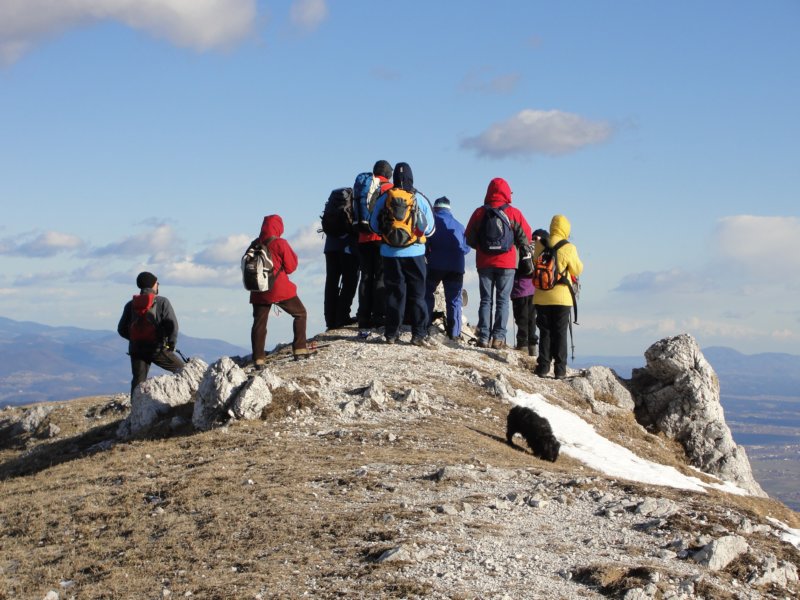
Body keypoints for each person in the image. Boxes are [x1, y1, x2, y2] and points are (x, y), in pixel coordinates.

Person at [369, 162, 435, 346]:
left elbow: (373, 226)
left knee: (394, 293)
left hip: (390, 254)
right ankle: (418, 334)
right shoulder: (419, 198)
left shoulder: (385, 197)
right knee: (418, 294)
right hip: (415, 253)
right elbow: (430, 230)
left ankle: (391, 333)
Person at [465, 177, 532, 349]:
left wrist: (482, 248)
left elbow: (469, 237)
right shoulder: (513, 213)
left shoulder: (479, 212)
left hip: (484, 262)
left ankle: (483, 337)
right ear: (507, 192)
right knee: (502, 300)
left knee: (485, 300)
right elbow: (527, 235)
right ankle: (498, 338)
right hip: (507, 262)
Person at [248, 214, 310, 365]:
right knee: (300, 314)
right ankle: (300, 348)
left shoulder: (254, 244)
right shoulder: (280, 243)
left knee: (259, 323)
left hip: (258, 290)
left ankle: (258, 358)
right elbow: (291, 267)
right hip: (278, 289)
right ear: (278, 227)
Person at [117, 271, 185, 396]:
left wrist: (135, 339)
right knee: (184, 370)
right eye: (157, 283)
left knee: (138, 381)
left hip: (136, 349)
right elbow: (173, 326)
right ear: (153, 284)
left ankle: (136, 407)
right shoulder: (162, 302)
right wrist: (170, 344)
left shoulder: (130, 305)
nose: (158, 285)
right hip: (157, 349)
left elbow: (121, 329)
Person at [533, 214, 583, 379]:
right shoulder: (569, 247)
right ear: (566, 229)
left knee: (545, 331)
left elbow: (535, 262)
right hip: (562, 297)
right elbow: (577, 269)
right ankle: (560, 370)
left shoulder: (540, 244)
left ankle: (543, 367)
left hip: (542, 296)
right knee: (560, 333)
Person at [356, 160, 394, 339]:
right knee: (380, 277)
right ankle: (378, 316)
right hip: (380, 238)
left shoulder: (364, 187)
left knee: (365, 277)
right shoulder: (389, 188)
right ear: (388, 173)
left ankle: (363, 317)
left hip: (362, 238)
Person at [424, 196, 470, 340]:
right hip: (456, 267)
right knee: (455, 300)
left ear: (435, 208)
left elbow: (425, 245)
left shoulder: (431, 223)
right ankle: (454, 333)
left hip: (435, 265)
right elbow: (466, 248)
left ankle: (425, 325)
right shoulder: (460, 226)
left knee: (427, 293)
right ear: (449, 209)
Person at [511, 228, 547, 356]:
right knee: (532, 319)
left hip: (518, 288)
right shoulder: (539, 248)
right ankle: (532, 347)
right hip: (534, 289)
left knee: (521, 319)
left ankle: (522, 346)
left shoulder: (519, 246)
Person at [323, 229, 359, 329]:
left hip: (330, 247)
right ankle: (342, 317)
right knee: (349, 283)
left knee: (331, 283)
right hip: (348, 247)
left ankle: (330, 319)